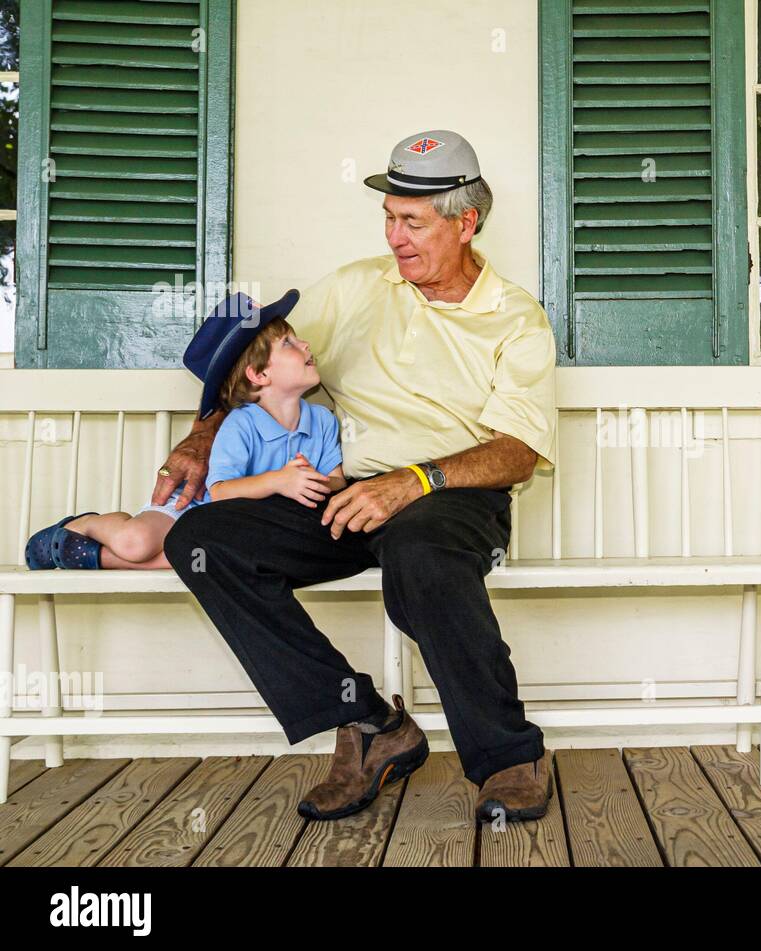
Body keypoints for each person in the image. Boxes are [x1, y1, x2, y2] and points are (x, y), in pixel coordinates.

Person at [155, 129, 558, 824]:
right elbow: (256, 358)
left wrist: (413, 482)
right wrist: (203, 432)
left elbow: (517, 450)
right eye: (389, 217)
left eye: (412, 221)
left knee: (420, 550)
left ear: (466, 223)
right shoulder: (356, 287)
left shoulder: (515, 318)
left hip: (449, 496)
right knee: (207, 538)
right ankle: (372, 725)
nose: (395, 237)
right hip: (342, 490)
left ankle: (509, 757)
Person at [24, 292, 345, 571]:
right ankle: (85, 525)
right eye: (288, 342)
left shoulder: (321, 420)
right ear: (258, 374)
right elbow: (219, 492)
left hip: (236, 529)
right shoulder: (241, 423)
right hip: (191, 508)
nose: (304, 343)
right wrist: (279, 481)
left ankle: (90, 557)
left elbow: (337, 479)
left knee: (216, 558)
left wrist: (313, 483)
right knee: (137, 543)